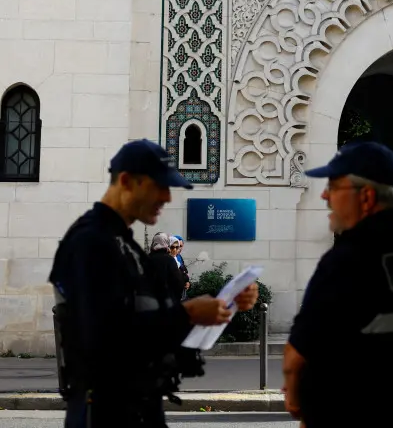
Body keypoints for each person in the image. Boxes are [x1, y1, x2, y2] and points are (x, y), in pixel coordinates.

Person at [49, 139, 259, 427]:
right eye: (158, 186)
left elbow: (152, 327)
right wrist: (190, 313)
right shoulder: (90, 242)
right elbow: (105, 338)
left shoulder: (121, 243)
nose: (167, 198)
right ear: (126, 181)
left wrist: (225, 306)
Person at [282, 141, 393, 428]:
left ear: (365, 196)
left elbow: (297, 356)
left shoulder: (350, 259)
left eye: (334, 187)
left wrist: (297, 398)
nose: (325, 196)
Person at [149, 232, 188, 305]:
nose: (175, 250)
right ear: (167, 243)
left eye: (178, 247)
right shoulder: (168, 259)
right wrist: (185, 277)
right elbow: (178, 281)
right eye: (172, 247)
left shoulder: (147, 258)